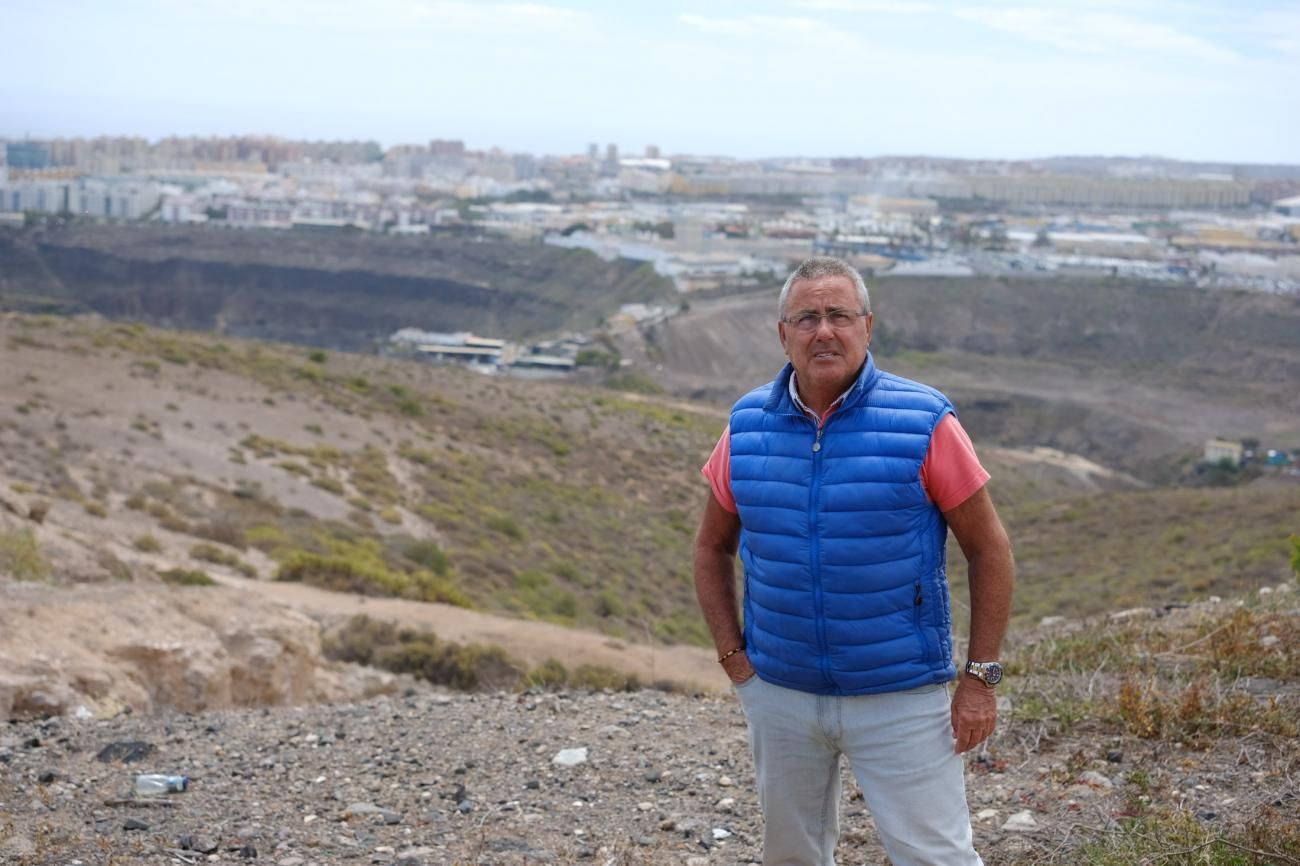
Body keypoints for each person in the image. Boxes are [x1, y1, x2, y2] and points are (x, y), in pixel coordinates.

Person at [694, 256, 1014, 866]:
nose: (824, 330)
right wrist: (735, 659)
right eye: (806, 317)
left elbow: (989, 549)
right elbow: (711, 547)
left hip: (900, 695)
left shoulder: (924, 422)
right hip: (781, 693)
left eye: (839, 315)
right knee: (793, 856)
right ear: (781, 333)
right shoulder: (745, 426)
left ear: (867, 326)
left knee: (935, 857)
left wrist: (980, 678)